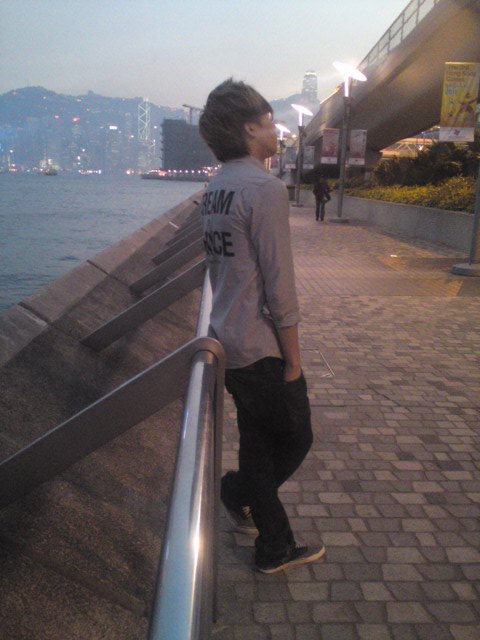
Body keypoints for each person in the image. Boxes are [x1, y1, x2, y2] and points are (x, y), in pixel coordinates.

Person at [199, 78, 325, 574]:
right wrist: (294, 360)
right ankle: (266, 534)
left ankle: (246, 505)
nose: (277, 130)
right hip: (261, 345)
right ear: (249, 129)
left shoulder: (216, 188)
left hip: (226, 337)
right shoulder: (265, 189)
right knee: (296, 437)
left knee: (256, 440)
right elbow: (279, 284)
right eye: (270, 122)